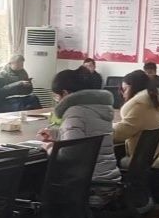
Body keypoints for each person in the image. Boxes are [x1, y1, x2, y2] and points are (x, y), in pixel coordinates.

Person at [39, 69, 120, 206]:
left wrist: (49, 147)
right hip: (109, 180)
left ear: (65, 93)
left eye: (56, 96)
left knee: (38, 181)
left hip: (90, 187)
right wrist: (56, 134)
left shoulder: (75, 112)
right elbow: (88, 135)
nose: (56, 100)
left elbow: (69, 154)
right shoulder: (98, 108)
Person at [113, 70, 159, 167]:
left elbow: (119, 134)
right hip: (158, 160)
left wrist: (105, 126)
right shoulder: (157, 104)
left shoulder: (140, 106)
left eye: (125, 89)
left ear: (134, 88)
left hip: (142, 164)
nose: (123, 94)